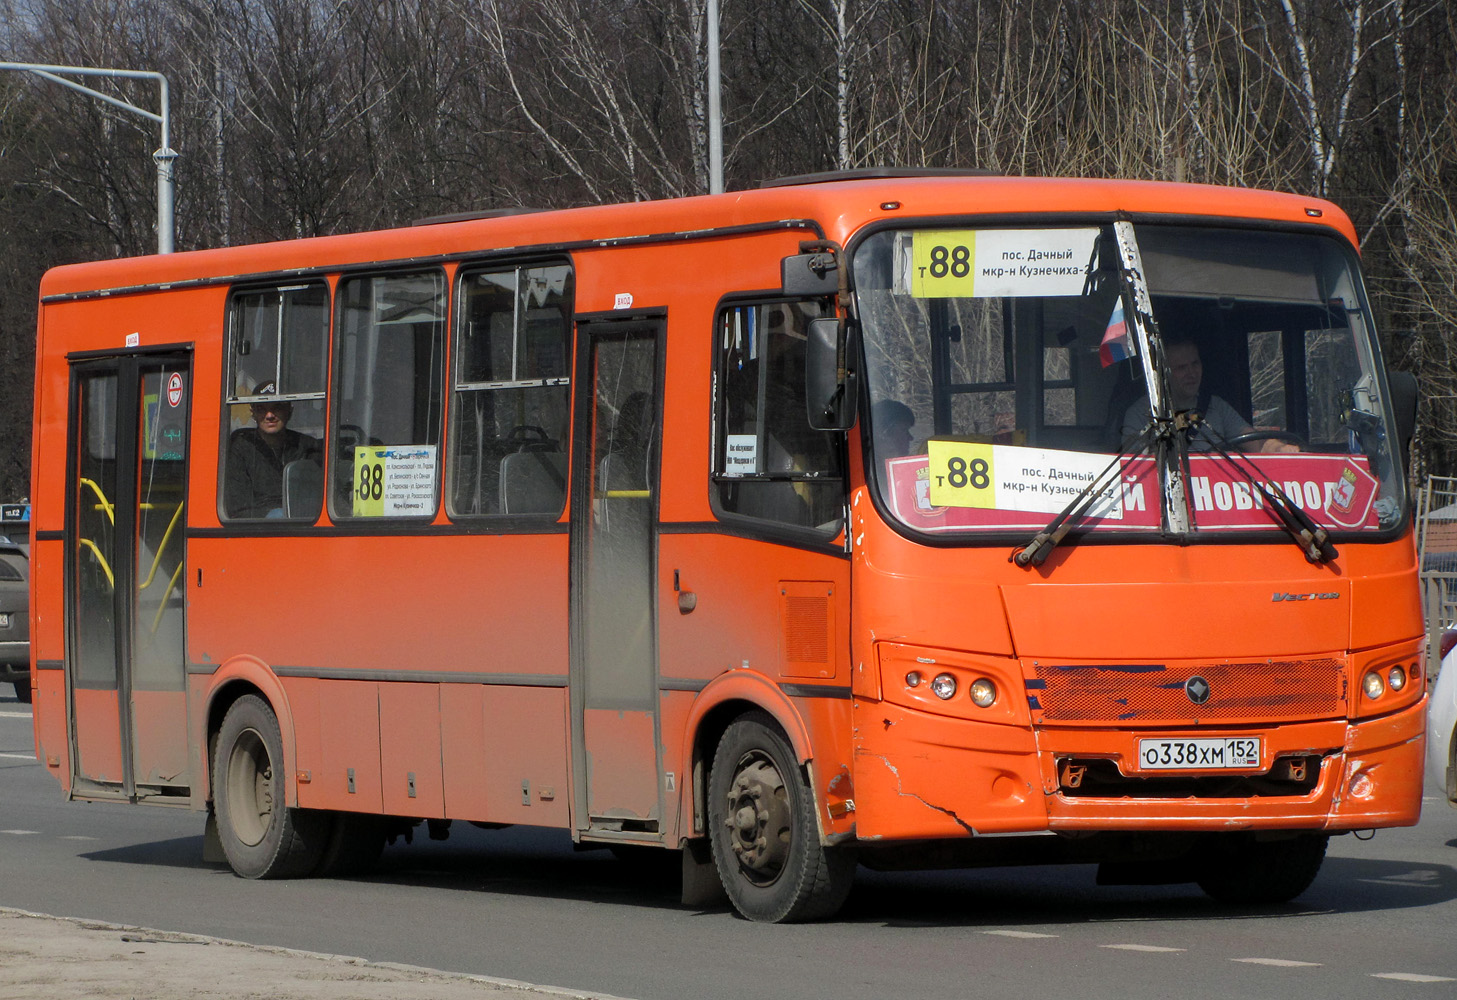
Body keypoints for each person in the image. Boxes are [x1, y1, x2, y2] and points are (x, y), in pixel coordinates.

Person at [1121, 338, 1296, 453]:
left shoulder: (1216, 407)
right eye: (1182, 368)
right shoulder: (1141, 413)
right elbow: (1133, 468)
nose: (1192, 373)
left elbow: (1256, 443)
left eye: (1195, 364)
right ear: (1164, 374)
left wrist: (1279, 449)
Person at [224, 381, 322, 518]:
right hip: (259, 530)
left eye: (277, 407)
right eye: (261, 409)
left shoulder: (307, 446)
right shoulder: (240, 447)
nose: (269, 415)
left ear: (290, 410)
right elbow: (238, 508)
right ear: (253, 413)